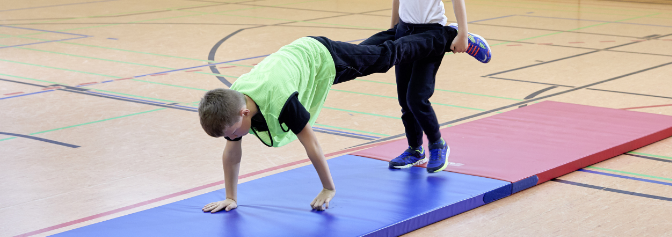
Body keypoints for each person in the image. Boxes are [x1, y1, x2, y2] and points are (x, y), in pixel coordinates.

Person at [197, 25, 491, 213]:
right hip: (301, 67)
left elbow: (311, 144)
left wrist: (328, 187)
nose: (234, 136)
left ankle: (444, 35)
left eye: (235, 130)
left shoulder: (281, 101)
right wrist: (231, 197)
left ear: (244, 112)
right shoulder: (232, 103)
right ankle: (400, 32)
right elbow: (232, 151)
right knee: (368, 56)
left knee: (383, 59)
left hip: (318, 54)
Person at [359, 0, 490, 173]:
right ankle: (415, 150)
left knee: (416, 97)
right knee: (404, 99)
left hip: (431, 35)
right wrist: (394, 27)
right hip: (404, 32)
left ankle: (437, 143)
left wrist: (463, 35)